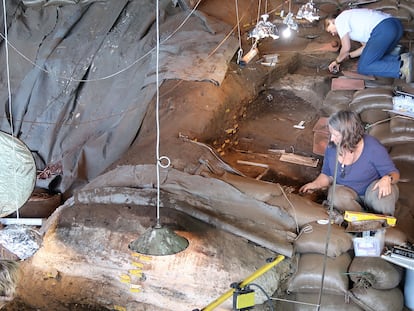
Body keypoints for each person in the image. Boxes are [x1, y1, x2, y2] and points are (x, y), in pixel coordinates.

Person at [300, 110, 399, 216]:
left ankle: (383, 223)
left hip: (371, 192)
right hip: (349, 195)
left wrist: (387, 178)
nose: (332, 139)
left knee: (384, 195)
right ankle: (361, 221)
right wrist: (315, 184)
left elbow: (394, 173)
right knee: (335, 195)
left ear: (349, 135)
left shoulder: (372, 147)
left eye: (336, 135)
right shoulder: (332, 147)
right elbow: (327, 174)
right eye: (331, 134)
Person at [324, 8, 413, 83]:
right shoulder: (354, 25)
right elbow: (366, 48)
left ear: (331, 21)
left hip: (384, 28)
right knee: (374, 57)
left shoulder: (340, 19)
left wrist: (337, 61)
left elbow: (346, 47)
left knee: (363, 67)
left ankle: (402, 67)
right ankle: (403, 59)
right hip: (396, 26)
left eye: (329, 31)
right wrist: (349, 56)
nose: (332, 34)